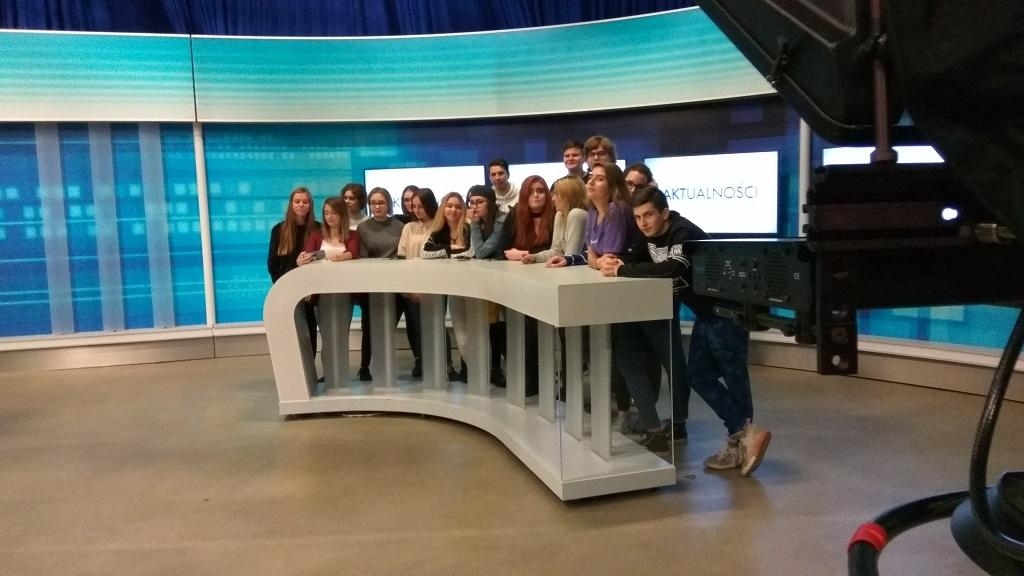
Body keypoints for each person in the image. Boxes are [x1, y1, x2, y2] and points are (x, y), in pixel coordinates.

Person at [601, 186, 771, 475]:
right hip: (707, 315)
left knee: (735, 378)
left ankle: (742, 442)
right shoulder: (647, 235)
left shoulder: (683, 232)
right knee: (697, 375)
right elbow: (631, 260)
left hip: (729, 312)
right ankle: (745, 434)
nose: (643, 223)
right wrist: (615, 263)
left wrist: (622, 270)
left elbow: (672, 269)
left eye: (649, 215)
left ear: (665, 213)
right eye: (638, 217)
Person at [359, 187, 423, 378]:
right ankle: (371, 367)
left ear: (388, 203)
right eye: (373, 203)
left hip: (401, 284)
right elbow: (363, 258)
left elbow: (404, 253)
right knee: (377, 328)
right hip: (377, 285)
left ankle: (420, 361)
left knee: (415, 323)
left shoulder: (400, 226)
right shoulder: (363, 228)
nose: (377, 206)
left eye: (381, 202)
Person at [421, 192, 472, 380]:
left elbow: (472, 252)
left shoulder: (469, 228)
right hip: (453, 289)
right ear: (443, 208)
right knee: (461, 335)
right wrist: (450, 249)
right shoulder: (438, 232)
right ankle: (471, 370)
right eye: (449, 206)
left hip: (474, 288)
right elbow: (425, 253)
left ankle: (483, 371)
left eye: (458, 206)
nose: (453, 210)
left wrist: (447, 252)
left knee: (479, 334)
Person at [546, 161, 630, 269]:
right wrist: (571, 260)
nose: (591, 182)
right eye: (591, 177)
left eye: (600, 179)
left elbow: (610, 261)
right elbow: (590, 255)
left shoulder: (616, 209)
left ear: (613, 187)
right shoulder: (593, 211)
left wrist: (595, 262)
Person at [267, 187, 319, 357]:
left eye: (305, 201)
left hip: (310, 293)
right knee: (289, 333)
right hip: (287, 290)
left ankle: (310, 368)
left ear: (310, 204)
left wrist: (312, 290)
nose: (301, 205)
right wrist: (284, 288)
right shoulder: (279, 230)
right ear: (291, 204)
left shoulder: (318, 229)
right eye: (297, 201)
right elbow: (272, 264)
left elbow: (322, 258)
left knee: (309, 332)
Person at [466, 185, 509, 385]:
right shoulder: (480, 222)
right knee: (491, 325)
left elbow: (482, 252)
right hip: (486, 282)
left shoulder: (502, 220)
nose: (475, 207)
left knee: (501, 327)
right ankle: (494, 368)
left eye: (479, 202)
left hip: (504, 281)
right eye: (471, 202)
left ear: (491, 203)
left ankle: (506, 369)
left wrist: (473, 225)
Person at [521, 177, 587, 265]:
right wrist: (535, 257)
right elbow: (556, 251)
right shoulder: (560, 215)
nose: (553, 199)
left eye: (556, 194)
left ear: (568, 196)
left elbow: (571, 256)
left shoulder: (577, 214)